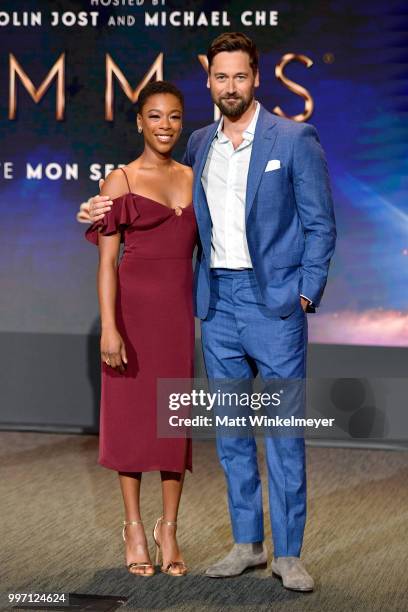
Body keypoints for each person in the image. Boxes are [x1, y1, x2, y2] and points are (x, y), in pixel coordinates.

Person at [85, 32, 336, 591]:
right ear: (210, 82)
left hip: (274, 306)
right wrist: (95, 206)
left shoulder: (294, 139)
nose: (230, 86)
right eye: (220, 77)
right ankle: (247, 544)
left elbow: (321, 223)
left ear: (256, 78)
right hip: (216, 304)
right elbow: (151, 205)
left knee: (283, 431)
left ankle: (289, 554)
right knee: (229, 434)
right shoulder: (198, 144)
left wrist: (304, 293)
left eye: (239, 76)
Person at [85, 80, 197, 577]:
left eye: (174, 116)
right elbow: (107, 264)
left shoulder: (195, 177)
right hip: (131, 317)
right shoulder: (121, 180)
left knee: (174, 423)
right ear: (139, 122)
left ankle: (168, 528)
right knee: (132, 424)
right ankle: (133, 527)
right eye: (155, 116)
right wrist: (110, 328)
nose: (165, 126)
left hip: (176, 319)